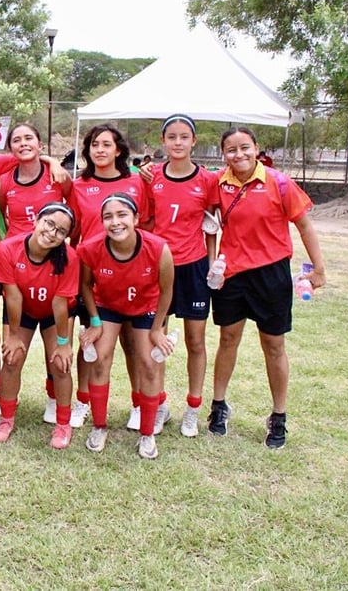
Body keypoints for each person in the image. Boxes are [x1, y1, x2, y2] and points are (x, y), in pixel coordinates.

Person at [207, 126, 325, 449]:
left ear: (256, 149)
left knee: (273, 346)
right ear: (223, 154)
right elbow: (202, 216)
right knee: (227, 340)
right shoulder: (217, 183)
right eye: (231, 149)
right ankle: (218, 407)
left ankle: (278, 417)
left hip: (271, 276)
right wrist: (212, 261)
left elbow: (304, 225)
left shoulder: (279, 182)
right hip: (231, 276)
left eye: (245, 147)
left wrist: (319, 268)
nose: (239, 154)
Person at [78, 193, 175, 459]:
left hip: (146, 307)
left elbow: (166, 291)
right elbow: (85, 285)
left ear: (135, 218)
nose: (115, 222)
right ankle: (99, 427)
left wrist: (157, 329)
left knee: (149, 363)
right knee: (98, 357)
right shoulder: (91, 248)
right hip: (108, 306)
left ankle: (147, 433)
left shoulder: (158, 248)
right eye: (108, 217)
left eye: (122, 215)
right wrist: (95, 321)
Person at [67, 124, 149, 431]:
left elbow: (146, 225)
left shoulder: (136, 182)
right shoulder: (78, 186)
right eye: (93, 145)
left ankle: (140, 405)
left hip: (130, 274)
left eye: (106, 144)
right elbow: (74, 230)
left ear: (118, 150)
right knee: (91, 342)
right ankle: (82, 401)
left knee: (131, 342)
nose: (99, 150)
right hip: (93, 275)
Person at [142, 114, 219, 437]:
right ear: (163, 141)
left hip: (194, 267)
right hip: (160, 266)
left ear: (193, 141)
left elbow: (211, 226)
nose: (177, 142)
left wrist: (214, 263)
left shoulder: (207, 180)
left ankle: (192, 409)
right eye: (171, 137)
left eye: (183, 137)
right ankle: (160, 406)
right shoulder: (152, 176)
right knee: (155, 338)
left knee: (195, 341)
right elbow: (145, 223)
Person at [0, 122, 73, 425]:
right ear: (10, 148)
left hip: (52, 266)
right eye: (16, 140)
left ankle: (56, 404)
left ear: (40, 145)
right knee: (13, 355)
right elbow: (5, 214)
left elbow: (71, 212)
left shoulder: (57, 175)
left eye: (29, 138)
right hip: (19, 265)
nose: (23, 143)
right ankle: (6, 417)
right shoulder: (4, 182)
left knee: (57, 355)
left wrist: (54, 162)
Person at [0, 202, 79, 449]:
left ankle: (63, 424)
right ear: (36, 220)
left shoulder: (70, 258)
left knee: (61, 364)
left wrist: (63, 344)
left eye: (60, 231)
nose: (52, 233)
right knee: (11, 358)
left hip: (54, 313)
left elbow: (60, 304)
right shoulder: (8, 248)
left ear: (65, 238)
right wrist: (15, 335)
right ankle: (6, 418)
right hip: (23, 310)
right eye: (49, 223)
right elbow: (13, 295)